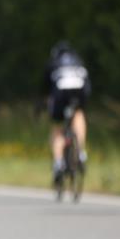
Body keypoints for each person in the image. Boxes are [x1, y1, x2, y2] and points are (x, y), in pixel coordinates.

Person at [42, 41, 91, 184]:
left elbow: (45, 89)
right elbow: (88, 84)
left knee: (57, 127)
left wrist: (43, 104)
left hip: (60, 92)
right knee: (79, 114)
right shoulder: (79, 61)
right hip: (80, 90)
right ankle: (81, 152)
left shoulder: (53, 63)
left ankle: (58, 163)